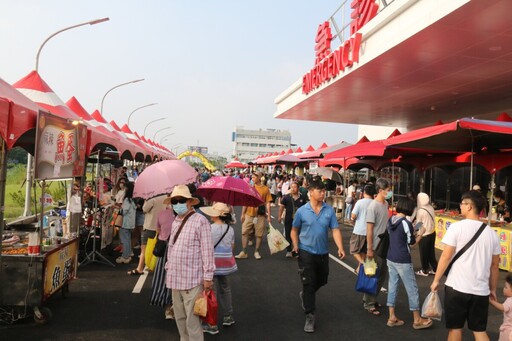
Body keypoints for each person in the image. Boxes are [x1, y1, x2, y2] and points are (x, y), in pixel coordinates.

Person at [430, 190, 500, 341]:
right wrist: (493, 289)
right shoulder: (492, 234)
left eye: (462, 204)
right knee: (479, 331)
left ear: (469, 206)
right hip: (481, 290)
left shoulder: (457, 227)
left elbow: (446, 256)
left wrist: (436, 280)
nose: (460, 207)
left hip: (457, 288)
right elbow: (495, 266)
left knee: (455, 329)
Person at [291, 180, 346, 333]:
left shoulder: (329, 211)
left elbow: (335, 230)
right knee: (309, 283)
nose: (323, 193)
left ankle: (306, 295)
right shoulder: (302, 211)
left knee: (322, 280)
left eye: (324, 191)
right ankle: (310, 315)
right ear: (311, 192)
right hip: (305, 252)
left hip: (322, 253)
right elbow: (294, 230)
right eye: (320, 191)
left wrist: (340, 247)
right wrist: (295, 245)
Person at [165, 185, 215, 341]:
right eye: (175, 201)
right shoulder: (175, 221)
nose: (177, 204)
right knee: (179, 318)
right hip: (175, 278)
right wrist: (168, 266)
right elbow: (171, 247)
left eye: (181, 200)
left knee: (192, 321)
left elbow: (207, 250)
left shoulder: (200, 221)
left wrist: (208, 277)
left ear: (189, 202)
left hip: (192, 280)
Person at [386, 198, 432, 330]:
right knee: (412, 288)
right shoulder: (406, 222)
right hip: (402, 259)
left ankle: (392, 317)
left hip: (391, 257)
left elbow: (399, 237)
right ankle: (417, 319)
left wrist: (413, 230)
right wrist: (421, 234)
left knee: (393, 286)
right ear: (410, 209)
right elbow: (411, 244)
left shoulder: (391, 220)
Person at [200, 202, 238, 335]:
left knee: (212, 292)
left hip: (212, 263)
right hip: (226, 263)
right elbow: (232, 246)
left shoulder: (209, 228)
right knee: (226, 289)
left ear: (216, 215)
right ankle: (228, 316)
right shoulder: (230, 229)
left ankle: (212, 323)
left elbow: (205, 247)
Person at [364, 178, 392, 316]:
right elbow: (369, 229)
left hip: (384, 246)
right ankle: (368, 303)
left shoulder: (385, 204)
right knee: (372, 275)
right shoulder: (372, 207)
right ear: (380, 191)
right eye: (388, 190)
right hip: (374, 247)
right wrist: (369, 248)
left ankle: (372, 299)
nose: (390, 192)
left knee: (381, 274)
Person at [235, 171, 272, 260]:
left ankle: (256, 251)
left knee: (259, 234)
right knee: (244, 232)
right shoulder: (250, 188)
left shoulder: (265, 189)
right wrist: (242, 214)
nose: (252, 179)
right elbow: (246, 202)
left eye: (254, 177)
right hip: (249, 214)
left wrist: (269, 215)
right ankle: (244, 251)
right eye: (252, 177)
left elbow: (267, 203)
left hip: (260, 215)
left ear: (259, 178)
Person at [149, 195, 175, 319]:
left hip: (164, 249)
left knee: (162, 278)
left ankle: (168, 308)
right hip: (178, 251)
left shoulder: (162, 214)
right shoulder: (187, 217)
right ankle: (172, 307)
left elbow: (158, 230)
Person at [130, 194, 167, 274]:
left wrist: (146, 200)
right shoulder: (166, 197)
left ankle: (140, 268)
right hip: (161, 226)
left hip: (150, 226)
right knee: (158, 247)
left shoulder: (152, 198)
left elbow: (144, 209)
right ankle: (155, 267)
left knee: (144, 249)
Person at [349, 184, 375, 271]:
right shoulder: (375, 203)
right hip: (370, 231)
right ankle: (359, 268)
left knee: (354, 250)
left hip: (359, 230)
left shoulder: (360, 202)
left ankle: (364, 264)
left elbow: (353, 215)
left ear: (364, 192)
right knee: (364, 251)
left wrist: (352, 219)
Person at [278, 181, 307, 258]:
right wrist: (279, 216)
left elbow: (305, 209)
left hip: (299, 220)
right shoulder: (286, 197)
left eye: (295, 187)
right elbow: (281, 207)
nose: (293, 189)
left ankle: (296, 250)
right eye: (292, 187)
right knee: (288, 233)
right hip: (288, 218)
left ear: (298, 188)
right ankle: (288, 250)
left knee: (298, 234)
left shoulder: (302, 198)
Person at [414, 192, 438, 277]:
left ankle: (424, 270)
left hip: (424, 234)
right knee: (431, 253)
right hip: (432, 232)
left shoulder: (420, 210)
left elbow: (419, 223)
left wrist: (414, 231)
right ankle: (435, 269)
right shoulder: (430, 207)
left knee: (423, 253)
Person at [116, 182, 136, 264]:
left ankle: (125, 256)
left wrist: (119, 209)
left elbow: (124, 211)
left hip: (125, 222)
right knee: (127, 239)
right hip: (130, 223)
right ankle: (127, 254)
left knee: (125, 240)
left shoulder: (127, 200)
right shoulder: (132, 199)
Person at [489, 274, 512, 341]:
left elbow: (503, 308)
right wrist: (496, 302)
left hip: (507, 331)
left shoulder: (510, 300)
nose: (503, 289)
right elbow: (507, 311)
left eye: (506, 287)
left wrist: (491, 301)